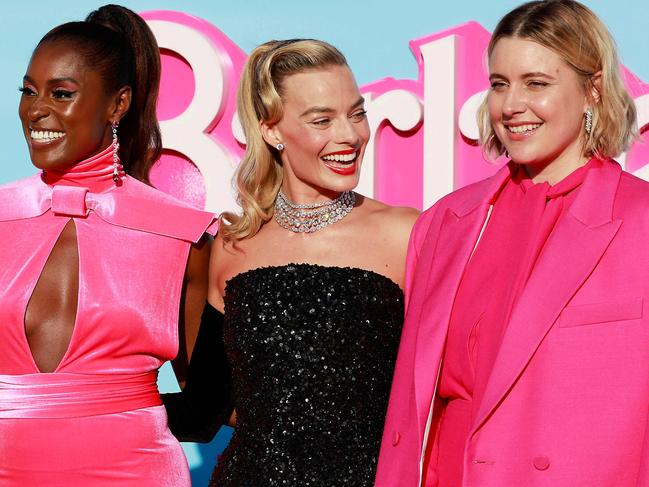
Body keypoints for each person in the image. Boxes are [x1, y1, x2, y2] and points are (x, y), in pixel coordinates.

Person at [375, 1, 646, 485]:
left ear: (594, 89)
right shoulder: (444, 224)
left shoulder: (639, 220)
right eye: (499, 84)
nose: (510, 104)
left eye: (536, 83)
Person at [162, 39, 418, 486]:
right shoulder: (233, 245)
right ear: (271, 131)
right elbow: (203, 410)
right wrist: (83, 402)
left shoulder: (407, 233)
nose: (351, 135)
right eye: (322, 119)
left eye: (356, 113)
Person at [0, 5, 218, 486]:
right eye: (28, 92)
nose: (36, 110)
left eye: (61, 94)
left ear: (118, 105)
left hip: (135, 472)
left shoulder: (183, 234)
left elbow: (206, 404)